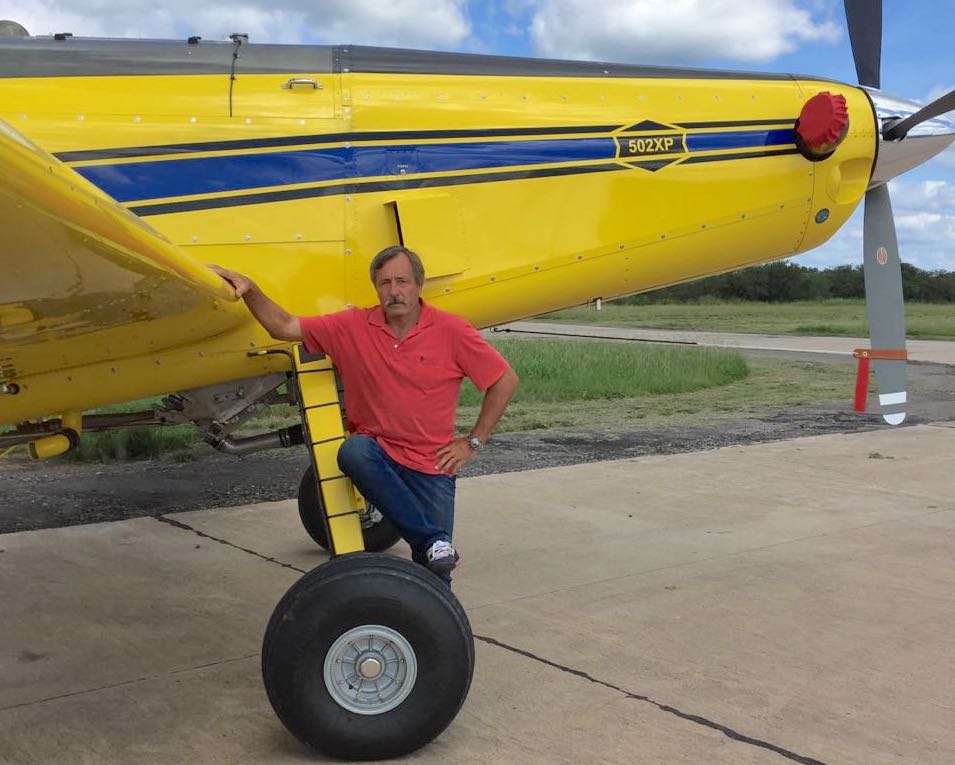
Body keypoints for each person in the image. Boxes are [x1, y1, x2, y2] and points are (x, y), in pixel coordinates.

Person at [209, 246, 518, 585]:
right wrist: (251, 289)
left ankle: (427, 574)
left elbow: (504, 379)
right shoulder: (352, 326)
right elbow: (283, 326)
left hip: (433, 463)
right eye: (384, 283)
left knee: (436, 577)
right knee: (353, 451)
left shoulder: (451, 330)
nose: (394, 291)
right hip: (380, 454)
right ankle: (432, 541)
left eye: (402, 281)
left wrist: (473, 441)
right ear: (376, 288)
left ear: (419, 284)